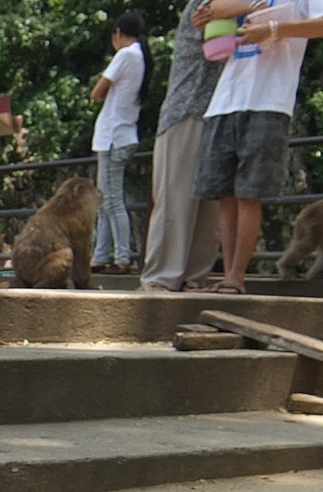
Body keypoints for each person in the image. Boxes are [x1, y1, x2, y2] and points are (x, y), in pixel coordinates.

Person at [191, 0, 323, 293]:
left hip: (269, 99)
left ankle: (237, 277)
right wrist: (207, 22)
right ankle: (227, 276)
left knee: (249, 194)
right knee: (224, 194)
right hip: (226, 98)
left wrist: (274, 29)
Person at [141, 0, 226, 292]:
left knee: (209, 204)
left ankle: (194, 278)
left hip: (216, 113)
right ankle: (160, 278)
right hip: (186, 111)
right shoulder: (207, 6)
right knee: (176, 199)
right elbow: (223, 48)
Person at [89, 11, 151, 274]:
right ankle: (100, 255)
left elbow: (97, 93)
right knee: (105, 200)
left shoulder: (126, 54)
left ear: (118, 33)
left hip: (114, 136)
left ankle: (123, 257)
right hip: (121, 135)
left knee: (112, 201)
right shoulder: (141, 57)